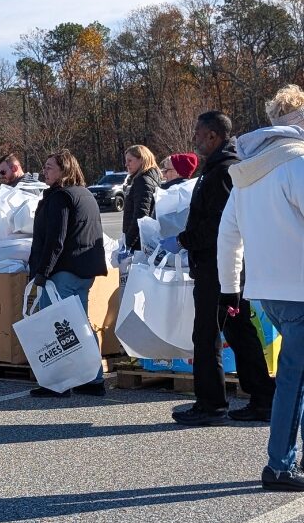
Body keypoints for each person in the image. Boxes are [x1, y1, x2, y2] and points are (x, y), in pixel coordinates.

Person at [159, 110, 275, 426]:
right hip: (221, 265)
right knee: (237, 330)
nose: (194, 138)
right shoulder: (222, 169)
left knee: (207, 334)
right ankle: (264, 397)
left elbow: (221, 226)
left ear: (213, 136)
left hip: (219, 266)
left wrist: (183, 239)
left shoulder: (224, 172)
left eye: (198, 132)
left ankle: (211, 404)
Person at [218, 85, 304, 490]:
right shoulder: (297, 165)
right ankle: (280, 464)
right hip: (300, 289)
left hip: (267, 291)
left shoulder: (247, 175)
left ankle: (286, 460)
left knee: (296, 375)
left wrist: (229, 287)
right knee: (293, 378)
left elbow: (228, 236)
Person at [27, 150, 108, 397]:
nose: (45, 170)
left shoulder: (60, 198)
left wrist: (42, 272)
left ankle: (58, 382)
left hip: (63, 272)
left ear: (65, 170)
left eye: (50, 166)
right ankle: (94, 379)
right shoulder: (85, 194)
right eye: (45, 165)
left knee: (58, 326)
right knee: (80, 325)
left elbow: (56, 240)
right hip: (85, 271)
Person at [121, 144, 160, 252]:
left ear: (141, 160)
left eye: (130, 160)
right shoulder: (149, 178)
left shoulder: (142, 181)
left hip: (138, 244)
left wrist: (128, 243)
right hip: (144, 241)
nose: (126, 164)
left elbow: (140, 215)